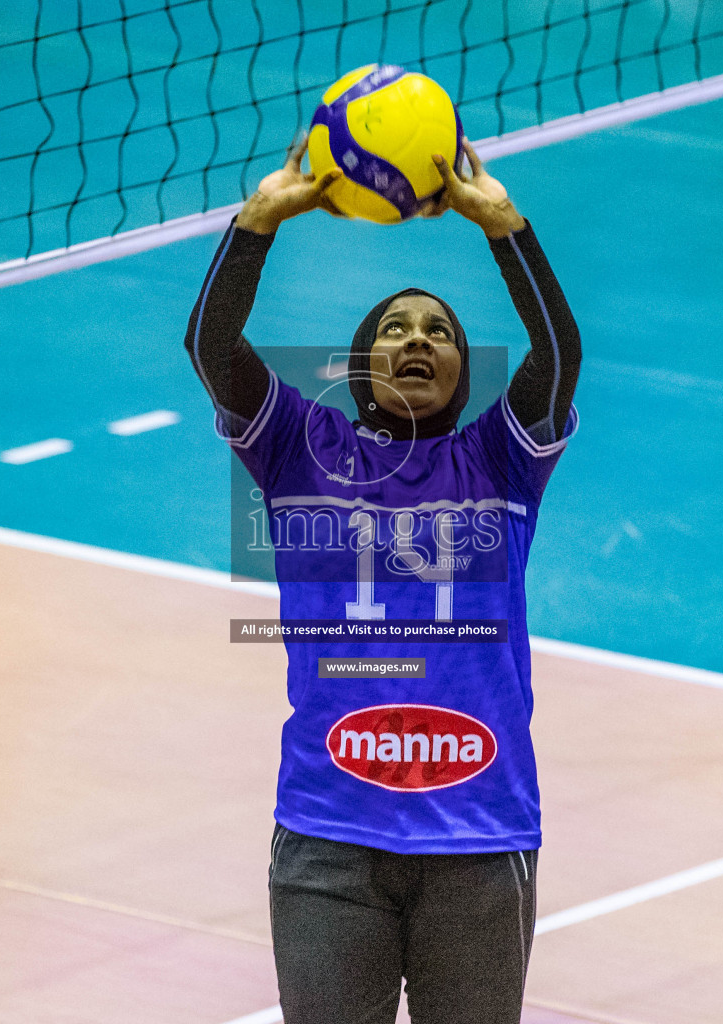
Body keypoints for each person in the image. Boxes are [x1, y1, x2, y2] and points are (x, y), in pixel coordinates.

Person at [184, 136, 581, 1024]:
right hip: (331, 836)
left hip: (479, 836)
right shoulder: (299, 447)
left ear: (461, 370)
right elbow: (212, 345)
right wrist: (257, 222)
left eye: (439, 331)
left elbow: (557, 359)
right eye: (395, 329)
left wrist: (504, 228)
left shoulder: (500, 461)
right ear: (362, 363)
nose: (416, 340)